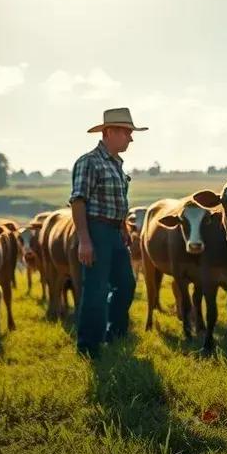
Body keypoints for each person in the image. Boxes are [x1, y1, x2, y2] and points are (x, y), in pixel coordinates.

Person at [69, 107, 145, 358]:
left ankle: (114, 333)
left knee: (126, 284)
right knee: (96, 288)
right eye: (127, 132)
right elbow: (78, 200)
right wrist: (84, 240)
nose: (131, 138)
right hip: (96, 230)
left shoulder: (117, 164)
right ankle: (88, 347)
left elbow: (116, 200)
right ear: (110, 132)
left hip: (114, 232)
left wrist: (123, 227)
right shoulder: (89, 162)